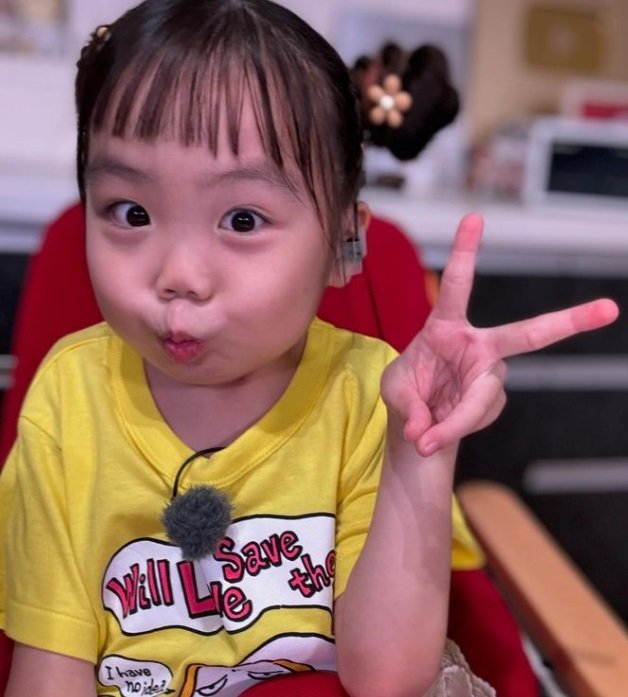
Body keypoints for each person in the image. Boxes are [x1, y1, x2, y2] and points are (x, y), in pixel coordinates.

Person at [0, 1, 618, 696]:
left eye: (242, 219)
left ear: (342, 244)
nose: (178, 275)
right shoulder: (70, 398)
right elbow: (48, 673)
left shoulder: (367, 393)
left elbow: (388, 679)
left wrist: (417, 452)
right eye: (131, 212)